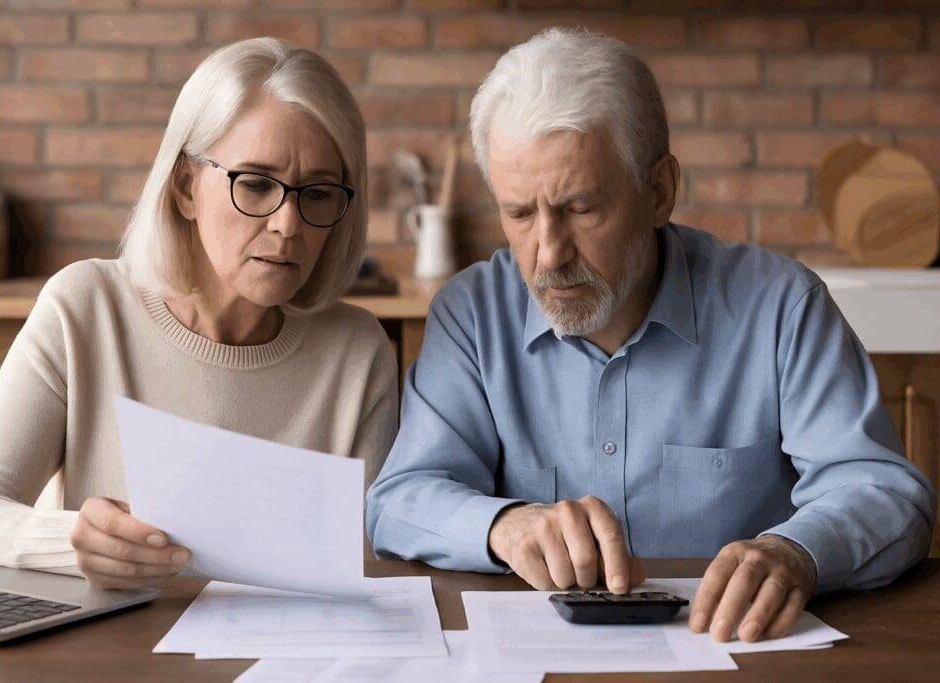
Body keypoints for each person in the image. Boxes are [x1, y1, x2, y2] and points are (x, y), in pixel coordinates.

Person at [366, 28, 935, 643]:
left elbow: (884, 493)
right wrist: (503, 525)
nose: (549, 253)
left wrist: (796, 552)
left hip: (740, 654)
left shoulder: (781, 307)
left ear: (659, 191)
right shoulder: (472, 314)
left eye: (581, 208)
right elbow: (400, 500)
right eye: (520, 214)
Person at [0, 38, 397, 590]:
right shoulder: (85, 307)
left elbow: (367, 565)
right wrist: (70, 542)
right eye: (256, 184)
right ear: (186, 186)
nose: (289, 224)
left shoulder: (358, 352)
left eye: (318, 193)